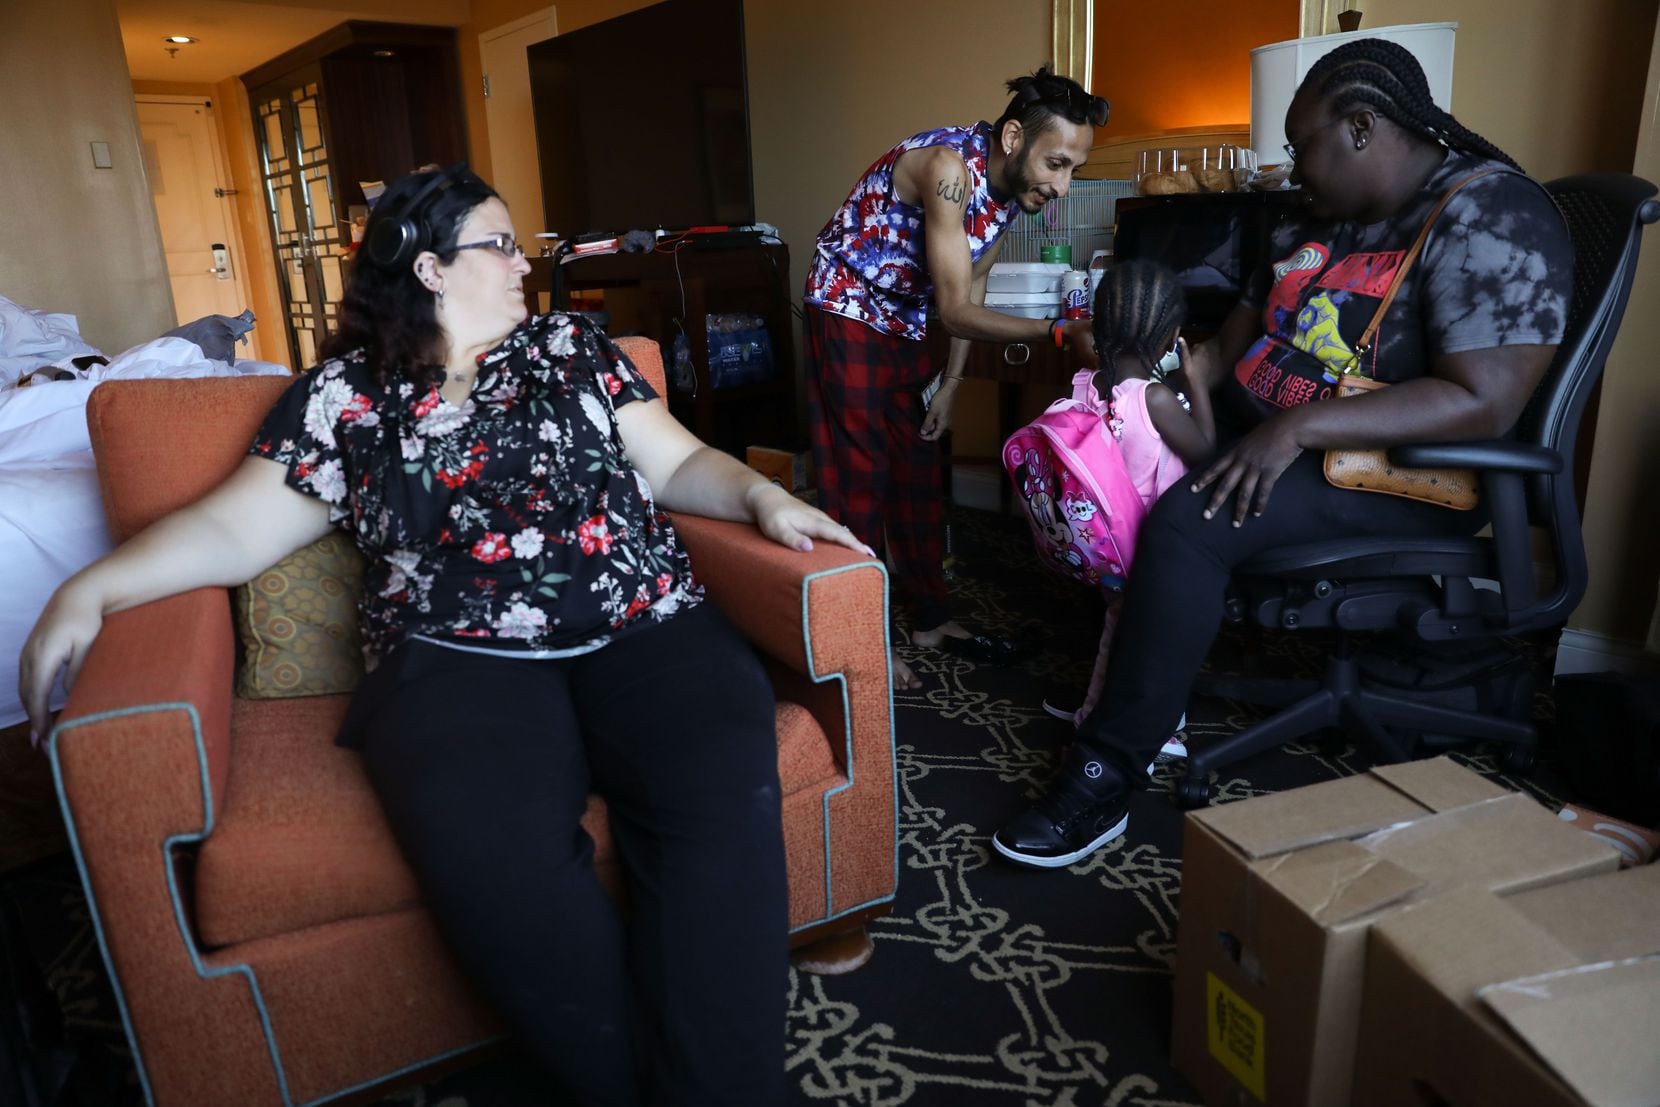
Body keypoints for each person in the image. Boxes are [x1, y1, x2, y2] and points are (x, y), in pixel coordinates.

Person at [18, 165, 872, 1104]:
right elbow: (232, 527)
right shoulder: (345, 396)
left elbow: (674, 463)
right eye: (500, 244)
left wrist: (760, 493)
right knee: (500, 865)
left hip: (647, 621)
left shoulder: (573, 348)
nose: (523, 262)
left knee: (717, 799)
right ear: (426, 267)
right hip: (456, 661)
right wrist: (92, 588)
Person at [993, 38, 1574, 868]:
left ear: (1364, 127)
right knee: (1106, 465)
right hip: (1270, 430)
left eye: (1303, 146)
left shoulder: (1489, 214)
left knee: (1186, 524)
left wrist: (1293, 427)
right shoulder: (1321, 217)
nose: (1295, 167)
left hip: (1393, 468)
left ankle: (1103, 774)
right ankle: (1129, 684)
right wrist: (1165, 380)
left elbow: (1485, 398)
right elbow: (1238, 330)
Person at [804, 67, 1108, 690]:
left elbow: (968, 285)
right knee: (861, 480)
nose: (1063, 186)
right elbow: (954, 309)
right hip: (848, 310)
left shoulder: (1009, 195)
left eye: (1072, 169)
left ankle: (930, 619)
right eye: (1056, 164)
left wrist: (950, 384)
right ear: (1015, 136)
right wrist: (1059, 332)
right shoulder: (948, 169)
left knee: (918, 473)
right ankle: (859, 642)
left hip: (906, 322)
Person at [1038, 259, 1216, 750]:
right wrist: (1197, 382)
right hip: (1150, 545)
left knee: (1119, 627)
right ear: (1170, 335)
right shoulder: (1155, 399)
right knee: (1149, 638)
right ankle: (1126, 722)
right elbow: (1205, 453)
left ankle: (1103, 706)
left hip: (1099, 541)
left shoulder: (1085, 385)